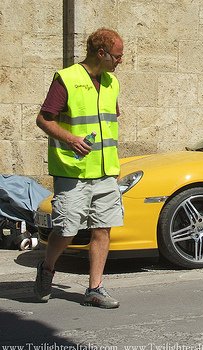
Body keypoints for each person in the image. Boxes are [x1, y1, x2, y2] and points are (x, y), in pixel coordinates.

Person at [34, 28, 124, 308]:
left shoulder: (112, 83)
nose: (120, 61)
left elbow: (108, 121)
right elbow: (43, 120)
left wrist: (112, 165)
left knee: (102, 229)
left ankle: (94, 288)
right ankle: (47, 267)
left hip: (105, 170)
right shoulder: (67, 79)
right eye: (117, 56)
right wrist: (71, 139)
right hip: (72, 171)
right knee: (67, 229)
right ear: (101, 53)